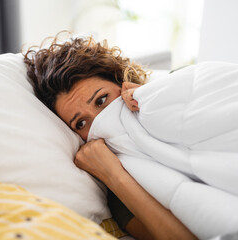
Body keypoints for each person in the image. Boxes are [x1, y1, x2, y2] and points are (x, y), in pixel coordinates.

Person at [23, 33, 198, 240]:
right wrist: (114, 176)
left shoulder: (180, 86)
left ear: (122, 81)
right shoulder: (119, 199)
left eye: (102, 100)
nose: (101, 120)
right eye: (81, 123)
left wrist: (156, 103)